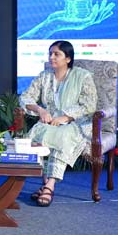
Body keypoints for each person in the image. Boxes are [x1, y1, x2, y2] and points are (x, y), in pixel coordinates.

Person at [19, 39, 98, 207]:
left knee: (63, 136)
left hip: (77, 123)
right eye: (50, 54)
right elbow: (25, 97)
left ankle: (50, 185)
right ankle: (45, 182)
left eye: (56, 54)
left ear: (68, 58)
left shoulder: (82, 76)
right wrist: (40, 110)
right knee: (37, 134)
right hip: (50, 121)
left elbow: (90, 105)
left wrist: (66, 117)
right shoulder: (45, 76)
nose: (51, 57)